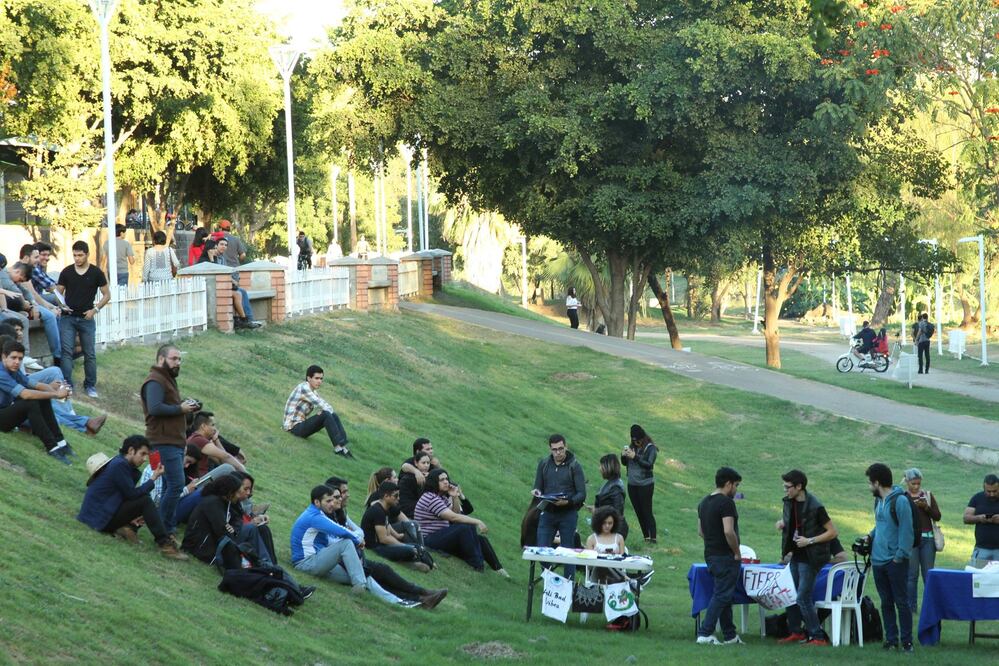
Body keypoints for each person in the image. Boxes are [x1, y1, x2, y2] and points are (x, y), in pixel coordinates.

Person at [291, 484, 444, 609]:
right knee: (347, 545)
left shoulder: (323, 515)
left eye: (334, 499)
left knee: (364, 572)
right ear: (317, 502)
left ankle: (405, 602)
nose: (333, 503)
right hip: (307, 563)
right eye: (329, 500)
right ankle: (360, 586)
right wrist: (357, 540)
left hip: (320, 561)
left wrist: (356, 538)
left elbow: (345, 531)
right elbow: (341, 532)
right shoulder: (314, 516)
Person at [77, 435, 188, 560]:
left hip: (97, 515)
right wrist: (153, 478)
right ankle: (165, 544)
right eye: (142, 454)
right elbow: (132, 494)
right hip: (97, 519)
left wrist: (134, 513)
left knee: (144, 499)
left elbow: (129, 495)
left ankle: (128, 527)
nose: (145, 459)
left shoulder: (122, 464)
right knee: (145, 501)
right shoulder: (120, 465)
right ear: (131, 451)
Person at [141, 344, 202, 538]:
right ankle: (164, 529)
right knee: (176, 485)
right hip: (162, 442)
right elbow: (155, 408)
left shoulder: (166, 379)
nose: (178, 362)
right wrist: (180, 409)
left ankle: (166, 528)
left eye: (179, 359)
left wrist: (186, 407)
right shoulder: (155, 380)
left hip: (173, 442)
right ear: (161, 359)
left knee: (170, 486)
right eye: (174, 358)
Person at [777, 469, 837, 646]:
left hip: (811, 558)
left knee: (803, 597)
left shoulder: (815, 506)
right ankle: (796, 632)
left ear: (799, 486)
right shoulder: (790, 502)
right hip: (795, 555)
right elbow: (796, 522)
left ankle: (818, 637)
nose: (785, 490)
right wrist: (783, 523)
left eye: (788, 487)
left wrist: (809, 541)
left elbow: (832, 532)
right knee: (790, 594)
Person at [415, 468, 506, 575]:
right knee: (465, 527)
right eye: (442, 480)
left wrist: (454, 497)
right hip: (428, 539)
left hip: (440, 536)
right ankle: (477, 564)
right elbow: (453, 518)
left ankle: (499, 569)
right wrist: (477, 521)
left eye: (446, 479)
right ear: (434, 482)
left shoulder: (441, 498)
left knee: (481, 540)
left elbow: (457, 513)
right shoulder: (430, 497)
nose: (446, 482)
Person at [866, 462, 914, 653]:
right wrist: (870, 536)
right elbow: (881, 525)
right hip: (878, 560)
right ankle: (891, 640)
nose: (869, 486)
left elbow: (907, 531)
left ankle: (907, 642)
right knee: (886, 602)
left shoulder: (900, 501)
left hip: (895, 561)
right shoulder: (878, 501)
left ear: (877, 483)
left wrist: (899, 556)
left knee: (901, 602)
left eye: (870, 483)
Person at [0, 339, 74, 463]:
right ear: (4, 356)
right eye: (13, 358)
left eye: (20, 359)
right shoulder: (1, 373)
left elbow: (35, 384)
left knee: (41, 398)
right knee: (31, 402)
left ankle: (61, 442)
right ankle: (52, 448)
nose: (17, 362)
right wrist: (56, 394)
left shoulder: (14, 370)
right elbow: (26, 394)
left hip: (6, 412)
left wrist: (59, 391)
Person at [695, 466, 743, 646]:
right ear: (728, 484)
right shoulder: (726, 503)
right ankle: (705, 633)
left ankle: (730, 635)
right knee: (722, 595)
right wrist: (736, 552)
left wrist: (713, 541)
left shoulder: (704, 502)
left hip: (711, 554)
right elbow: (729, 531)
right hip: (726, 556)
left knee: (725, 595)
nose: (736, 490)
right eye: (736, 485)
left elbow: (701, 531)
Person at [56, 241, 110, 398]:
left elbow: (107, 295)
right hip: (68, 318)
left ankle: (90, 385)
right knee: (66, 352)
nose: (77, 258)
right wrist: (62, 306)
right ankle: (67, 384)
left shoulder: (96, 273)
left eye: (80, 255)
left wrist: (95, 310)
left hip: (86, 318)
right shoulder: (66, 272)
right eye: (74, 255)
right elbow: (58, 293)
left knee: (89, 353)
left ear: (87, 254)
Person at [532, 434, 586, 577]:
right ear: (550, 449)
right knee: (542, 550)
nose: (558, 452)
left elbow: (582, 494)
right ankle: (550, 581)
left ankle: (569, 584)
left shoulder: (574, 466)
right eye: (554, 450)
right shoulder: (544, 464)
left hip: (568, 514)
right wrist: (537, 492)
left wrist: (568, 502)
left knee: (568, 552)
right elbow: (538, 487)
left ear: (566, 447)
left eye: (561, 449)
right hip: (548, 512)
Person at [283, 364, 352, 458]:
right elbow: (322, 405)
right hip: (293, 428)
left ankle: (342, 446)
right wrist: (324, 412)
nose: (319, 381)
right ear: (309, 378)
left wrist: (323, 412)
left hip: (300, 426)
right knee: (326, 414)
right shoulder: (303, 388)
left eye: (321, 379)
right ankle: (338, 448)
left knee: (333, 415)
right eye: (316, 378)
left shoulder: (313, 392)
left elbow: (326, 406)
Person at [362, 481, 431, 572]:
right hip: (375, 547)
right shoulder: (377, 511)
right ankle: (408, 563)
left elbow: (388, 530)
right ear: (386, 496)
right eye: (395, 496)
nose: (398, 498)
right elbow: (383, 539)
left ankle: (416, 560)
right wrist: (403, 546)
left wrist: (399, 538)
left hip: (382, 545)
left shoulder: (385, 509)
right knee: (410, 550)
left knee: (417, 547)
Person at [8, 258, 62, 367]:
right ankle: (56, 355)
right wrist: (33, 306)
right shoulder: (7, 274)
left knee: (55, 310)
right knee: (48, 316)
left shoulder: (31, 270)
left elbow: (26, 292)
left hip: (24, 305)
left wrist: (34, 304)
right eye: (36, 257)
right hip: (16, 306)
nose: (39, 259)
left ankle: (61, 351)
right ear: (27, 258)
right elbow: (23, 293)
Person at [900, 468, 940, 613]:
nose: (916, 486)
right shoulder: (903, 497)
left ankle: (930, 607)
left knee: (928, 575)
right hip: (911, 540)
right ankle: (911, 608)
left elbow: (937, 516)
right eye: (913, 483)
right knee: (911, 575)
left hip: (928, 539)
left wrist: (926, 507)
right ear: (907, 482)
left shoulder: (927, 495)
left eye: (918, 483)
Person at [622, 424, 658, 544]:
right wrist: (623, 455)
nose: (636, 443)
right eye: (633, 440)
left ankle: (653, 538)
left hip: (645, 485)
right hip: (632, 484)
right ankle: (646, 537)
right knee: (638, 511)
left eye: (637, 440)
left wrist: (635, 457)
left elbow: (649, 465)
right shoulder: (632, 446)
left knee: (647, 511)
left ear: (642, 438)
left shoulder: (651, 448)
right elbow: (625, 463)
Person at [186, 411, 246, 475]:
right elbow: (226, 456)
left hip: (201, 476)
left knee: (228, 467)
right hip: (198, 479)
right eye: (212, 425)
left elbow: (221, 461)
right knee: (227, 468)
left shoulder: (196, 438)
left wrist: (216, 440)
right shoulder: (199, 440)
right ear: (203, 426)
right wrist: (245, 473)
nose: (215, 429)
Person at [587, 453, 629, 540]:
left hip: (614, 530)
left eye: (601, 465)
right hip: (607, 527)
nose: (599, 468)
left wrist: (597, 511)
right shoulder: (611, 483)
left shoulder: (616, 487)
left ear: (608, 467)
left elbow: (617, 511)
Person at [963, 473, 999, 563]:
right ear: (984, 488)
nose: (992, 494)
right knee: (977, 572)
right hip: (981, 548)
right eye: (988, 491)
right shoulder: (977, 498)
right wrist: (979, 518)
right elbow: (966, 518)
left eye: (995, 491)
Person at [399, 450, 432, 519]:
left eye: (428, 463)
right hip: (409, 511)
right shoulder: (408, 479)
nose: (426, 465)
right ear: (416, 463)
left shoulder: (429, 476)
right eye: (423, 463)